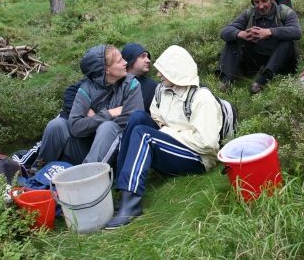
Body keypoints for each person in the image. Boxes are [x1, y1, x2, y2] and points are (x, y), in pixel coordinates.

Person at [106, 45, 222, 229]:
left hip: (197, 158)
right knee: (137, 118)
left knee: (145, 135)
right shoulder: (162, 90)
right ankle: (122, 190)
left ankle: (131, 205)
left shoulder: (202, 98)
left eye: (164, 71)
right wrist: (165, 131)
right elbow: (155, 115)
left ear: (177, 71)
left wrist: (169, 133)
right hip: (174, 146)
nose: (159, 75)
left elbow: (208, 144)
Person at [35, 45, 144, 166]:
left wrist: (92, 121)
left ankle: (88, 177)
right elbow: (75, 127)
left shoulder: (132, 84)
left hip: (116, 153)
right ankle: (41, 170)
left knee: (107, 127)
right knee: (57, 125)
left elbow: (131, 120)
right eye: (119, 61)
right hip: (85, 148)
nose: (125, 62)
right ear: (106, 69)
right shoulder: (86, 88)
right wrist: (109, 113)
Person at [218, 0, 301, 94]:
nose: (260, 6)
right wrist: (241, 34)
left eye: (264, 1)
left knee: (286, 42)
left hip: (281, 61)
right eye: (256, 2)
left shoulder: (285, 12)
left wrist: (270, 32)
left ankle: (261, 82)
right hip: (256, 59)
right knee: (233, 40)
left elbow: (296, 32)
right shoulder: (249, 14)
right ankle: (226, 81)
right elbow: (224, 32)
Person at [121, 43, 158, 113]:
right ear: (130, 58)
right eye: (143, 56)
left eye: (148, 57)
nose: (148, 60)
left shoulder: (151, 86)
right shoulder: (116, 83)